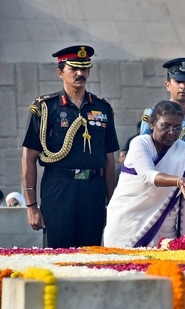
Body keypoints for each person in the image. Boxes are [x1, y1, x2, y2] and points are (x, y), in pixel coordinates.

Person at [22, 45, 119, 248]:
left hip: (94, 188)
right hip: (59, 187)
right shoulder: (45, 107)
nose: (79, 73)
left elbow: (109, 159)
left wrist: (113, 203)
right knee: (58, 251)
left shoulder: (102, 108)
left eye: (84, 69)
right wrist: (31, 205)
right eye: (73, 68)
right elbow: (29, 158)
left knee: (91, 253)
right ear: (60, 73)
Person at [103, 101, 185, 248]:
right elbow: (148, 175)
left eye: (177, 128)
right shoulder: (139, 143)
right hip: (129, 222)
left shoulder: (183, 149)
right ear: (152, 124)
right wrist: (179, 181)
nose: (171, 132)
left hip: (164, 227)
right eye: (165, 126)